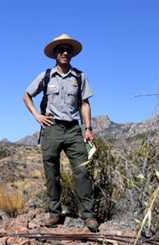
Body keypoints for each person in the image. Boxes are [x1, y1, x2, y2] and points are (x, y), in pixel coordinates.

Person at [22, 33, 99, 232]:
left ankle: (89, 215)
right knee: (51, 173)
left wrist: (88, 128)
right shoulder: (46, 76)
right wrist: (37, 116)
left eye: (68, 50)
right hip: (51, 129)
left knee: (82, 171)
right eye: (60, 50)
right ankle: (55, 213)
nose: (64, 53)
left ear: (72, 54)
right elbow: (26, 95)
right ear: (55, 54)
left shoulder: (80, 77)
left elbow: (84, 103)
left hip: (74, 129)